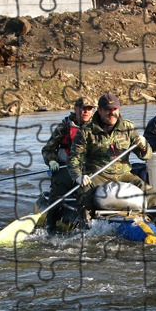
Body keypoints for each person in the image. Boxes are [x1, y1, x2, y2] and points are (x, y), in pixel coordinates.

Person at [68, 93, 156, 216]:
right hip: (98, 175)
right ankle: (87, 225)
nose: (111, 113)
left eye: (114, 109)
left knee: (149, 191)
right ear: (99, 110)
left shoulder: (128, 127)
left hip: (124, 175)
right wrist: (78, 176)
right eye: (107, 110)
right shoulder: (86, 132)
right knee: (85, 192)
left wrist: (144, 145)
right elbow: (74, 159)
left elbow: (146, 156)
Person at [41, 96, 95, 230]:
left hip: (89, 170)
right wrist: (52, 161)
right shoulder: (64, 127)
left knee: (87, 192)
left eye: (89, 109)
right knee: (58, 191)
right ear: (76, 109)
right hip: (66, 169)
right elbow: (48, 149)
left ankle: (87, 222)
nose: (86, 112)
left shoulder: (98, 127)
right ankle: (50, 224)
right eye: (83, 109)